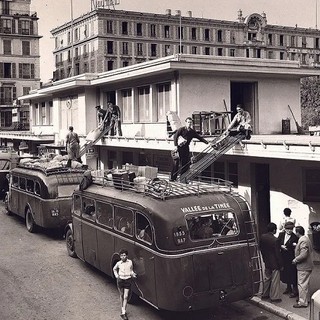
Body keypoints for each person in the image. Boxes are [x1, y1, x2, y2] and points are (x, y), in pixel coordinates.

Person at [170, 117, 209, 182]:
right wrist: (175, 146)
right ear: (186, 123)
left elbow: (199, 138)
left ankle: (182, 179)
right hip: (179, 147)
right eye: (188, 122)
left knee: (185, 164)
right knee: (176, 164)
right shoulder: (181, 129)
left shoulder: (192, 131)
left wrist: (207, 142)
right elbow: (175, 136)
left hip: (186, 148)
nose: (189, 124)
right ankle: (172, 178)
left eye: (190, 122)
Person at [260, 222, 283, 302]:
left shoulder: (262, 237)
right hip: (275, 263)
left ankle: (265, 294)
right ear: (274, 230)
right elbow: (277, 254)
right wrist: (281, 264)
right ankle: (275, 297)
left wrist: (264, 259)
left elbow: (261, 249)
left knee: (267, 278)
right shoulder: (275, 240)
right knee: (275, 281)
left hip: (267, 261)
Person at [292, 226, 314, 308]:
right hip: (308, 265)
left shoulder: (303, 240)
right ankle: (306, 299)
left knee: (301, 284)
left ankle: (302, 302)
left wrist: (295, 260)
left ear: (298, 233)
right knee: (306, 284)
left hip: (303, 266)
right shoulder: (306, 238)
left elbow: (304, 254)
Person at [113, 249, 137, 320]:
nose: (123, 257)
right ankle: (122, 308)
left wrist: (133, 274)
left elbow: (131, 270)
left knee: (126, 296)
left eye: (124, 255)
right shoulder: (118, 263)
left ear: (127, 256)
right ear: (120, 256)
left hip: (127, 280)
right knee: (121, 295)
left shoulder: (130, 262)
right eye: (121, 256)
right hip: (120, 280)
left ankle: (123, 312)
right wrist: (117, 276)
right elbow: (114, 269)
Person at [278, 221, 298, 297]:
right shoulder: (281, 234)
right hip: (283, 257)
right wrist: (281, 246)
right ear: (285, 229)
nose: (290, 230)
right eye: (288, 229)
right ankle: (288, 287)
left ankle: (294, 290)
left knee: (292, 273)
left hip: (291, 258)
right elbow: (277, 243)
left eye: (291, 229)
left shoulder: (295, 237)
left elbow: (296, 248)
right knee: (285, 272)